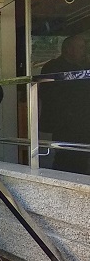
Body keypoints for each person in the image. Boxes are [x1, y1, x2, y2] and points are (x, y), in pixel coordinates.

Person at [39, 35, 90, 174]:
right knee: (65, 156)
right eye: (80, 48)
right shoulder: (53, 67)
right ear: (68, 49)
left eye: (84, 48)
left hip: (84, 121)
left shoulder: (85, 66)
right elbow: (47, 93)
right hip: (64, 122)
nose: (83, 51)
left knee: (83, 156)